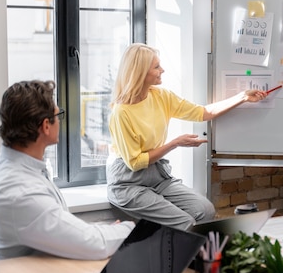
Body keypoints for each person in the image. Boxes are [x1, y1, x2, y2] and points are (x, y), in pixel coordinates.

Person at [0, 80, 136, 273]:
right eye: (57, 114)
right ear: (45, 126)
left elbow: (57, 226)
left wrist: (98, 232)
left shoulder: (5, 168)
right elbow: (94, 244)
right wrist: (132, 228)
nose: (60, 120)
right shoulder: (19, 192)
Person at [106, 43, 267, 230]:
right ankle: (190, 258)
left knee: (205, 210)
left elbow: (203, 112)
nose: (163, 70)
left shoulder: (161, 96)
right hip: (128, 182)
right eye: (156, 66)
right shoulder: (121, 112)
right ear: (141, 72)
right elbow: (135, 162)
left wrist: (243, 97)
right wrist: (175, 143)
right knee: (185, 223)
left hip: (157, 176)